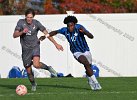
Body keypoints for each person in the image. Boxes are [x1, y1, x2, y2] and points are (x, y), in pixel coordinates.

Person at [39, 16, 102, 90]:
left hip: (86, 50)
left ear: (74, 25)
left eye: (71, 25)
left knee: (88, 67)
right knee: (85, 62)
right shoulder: (65, 30)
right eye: (68, 26)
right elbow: (55, 32)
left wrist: (85, 33)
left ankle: (90, 79)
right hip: (76, 51)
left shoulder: (79, 27)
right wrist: (45, 36)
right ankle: (96, 83)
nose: (70, 28)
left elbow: (91, 36)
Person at [13, 8, 63, 91]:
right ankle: (33, 84)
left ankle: (48, 68)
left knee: (36, 65)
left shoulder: (36, 23)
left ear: (33, 17)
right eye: (28, 17)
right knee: (29, 72)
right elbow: (14, 35)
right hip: (25, 50)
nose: (29, 19)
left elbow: (47, 34)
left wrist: (56, 44)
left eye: (31, 17)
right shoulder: (20, 22)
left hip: (35, 46)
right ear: (25, 16)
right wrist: (22, 32)